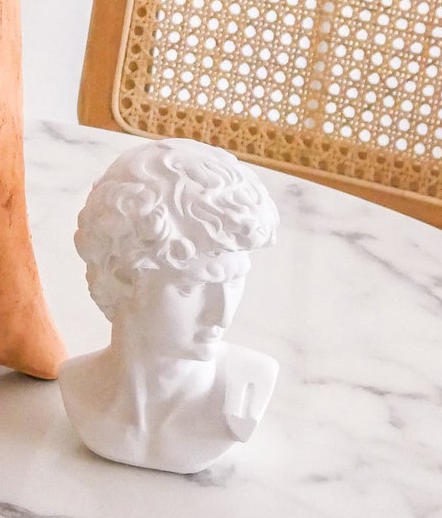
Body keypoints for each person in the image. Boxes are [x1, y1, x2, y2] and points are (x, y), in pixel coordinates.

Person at [59, 138, 279, 474]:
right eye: (191, 287)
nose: (223, 314)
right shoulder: (77, 385)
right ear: (121, 274)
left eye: (234, 281)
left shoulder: (246, 389)